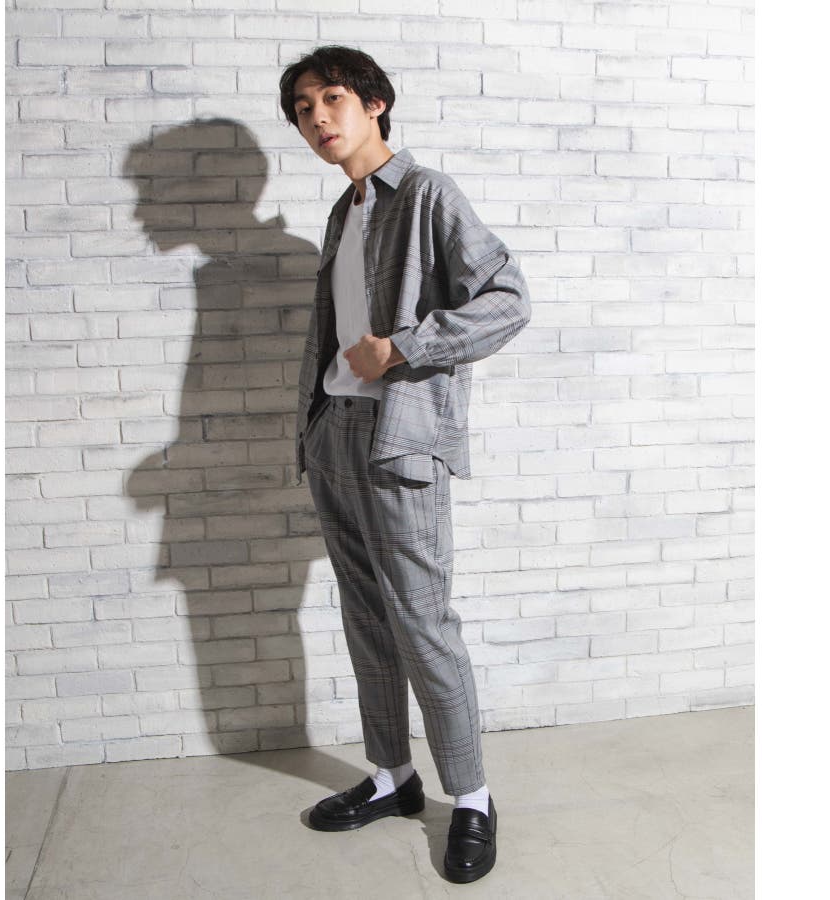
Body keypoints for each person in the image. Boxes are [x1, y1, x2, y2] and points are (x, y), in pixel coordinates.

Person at [279, 45, 531, 884]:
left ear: (375, 103)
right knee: (365, 618)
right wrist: (316, 423)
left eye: (332, 98)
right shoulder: (342, 211)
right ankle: (392, 776)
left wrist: (403, 348)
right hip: (334, 435)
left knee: (424, 624)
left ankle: (472, 797)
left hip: (399, 439)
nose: (318, 118)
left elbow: (508, 301)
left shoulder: (426, 194)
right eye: (303, 110)